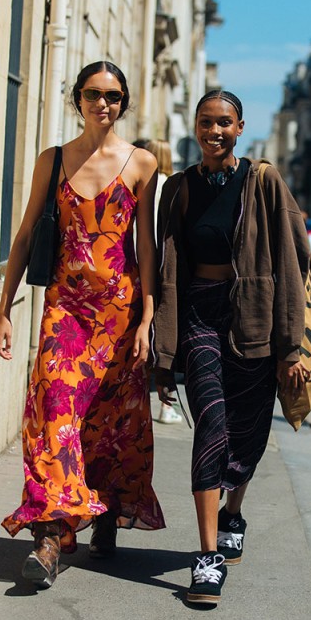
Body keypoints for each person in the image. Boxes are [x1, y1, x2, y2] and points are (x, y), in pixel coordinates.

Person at [0, 61, 165, 589]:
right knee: (53, 415)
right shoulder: (53, 160)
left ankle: (107, 512)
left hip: (119, 312)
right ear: (78, 99)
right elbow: (24, 237)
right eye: (93, 94)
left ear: (123, 102)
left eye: (112, 96)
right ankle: (49, 539)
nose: (102, 103)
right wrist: (4, 308)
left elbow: (146, 247)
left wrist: (148, 320)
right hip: (64, 311)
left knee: (112, 421)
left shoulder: (141, 164)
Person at [153, 89, 309, 605]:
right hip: (200, 312)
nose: (213, 131)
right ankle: (206, 557)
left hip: (255, 317)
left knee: (249, 429)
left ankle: (233, 510)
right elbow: (165, 267)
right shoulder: (178, 189)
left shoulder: (263, 181)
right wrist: (164, 351)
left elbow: (293, 262)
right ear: (195, 128)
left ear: (240, 127)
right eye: (205, 122)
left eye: (223, 123)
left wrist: (290, 347)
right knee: (213, 426)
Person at [132, 138, 183, 425]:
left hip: (136, 263)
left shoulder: (147, 181)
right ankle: (165, 405)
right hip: (162, 268)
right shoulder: (170, 184)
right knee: (157, 333)